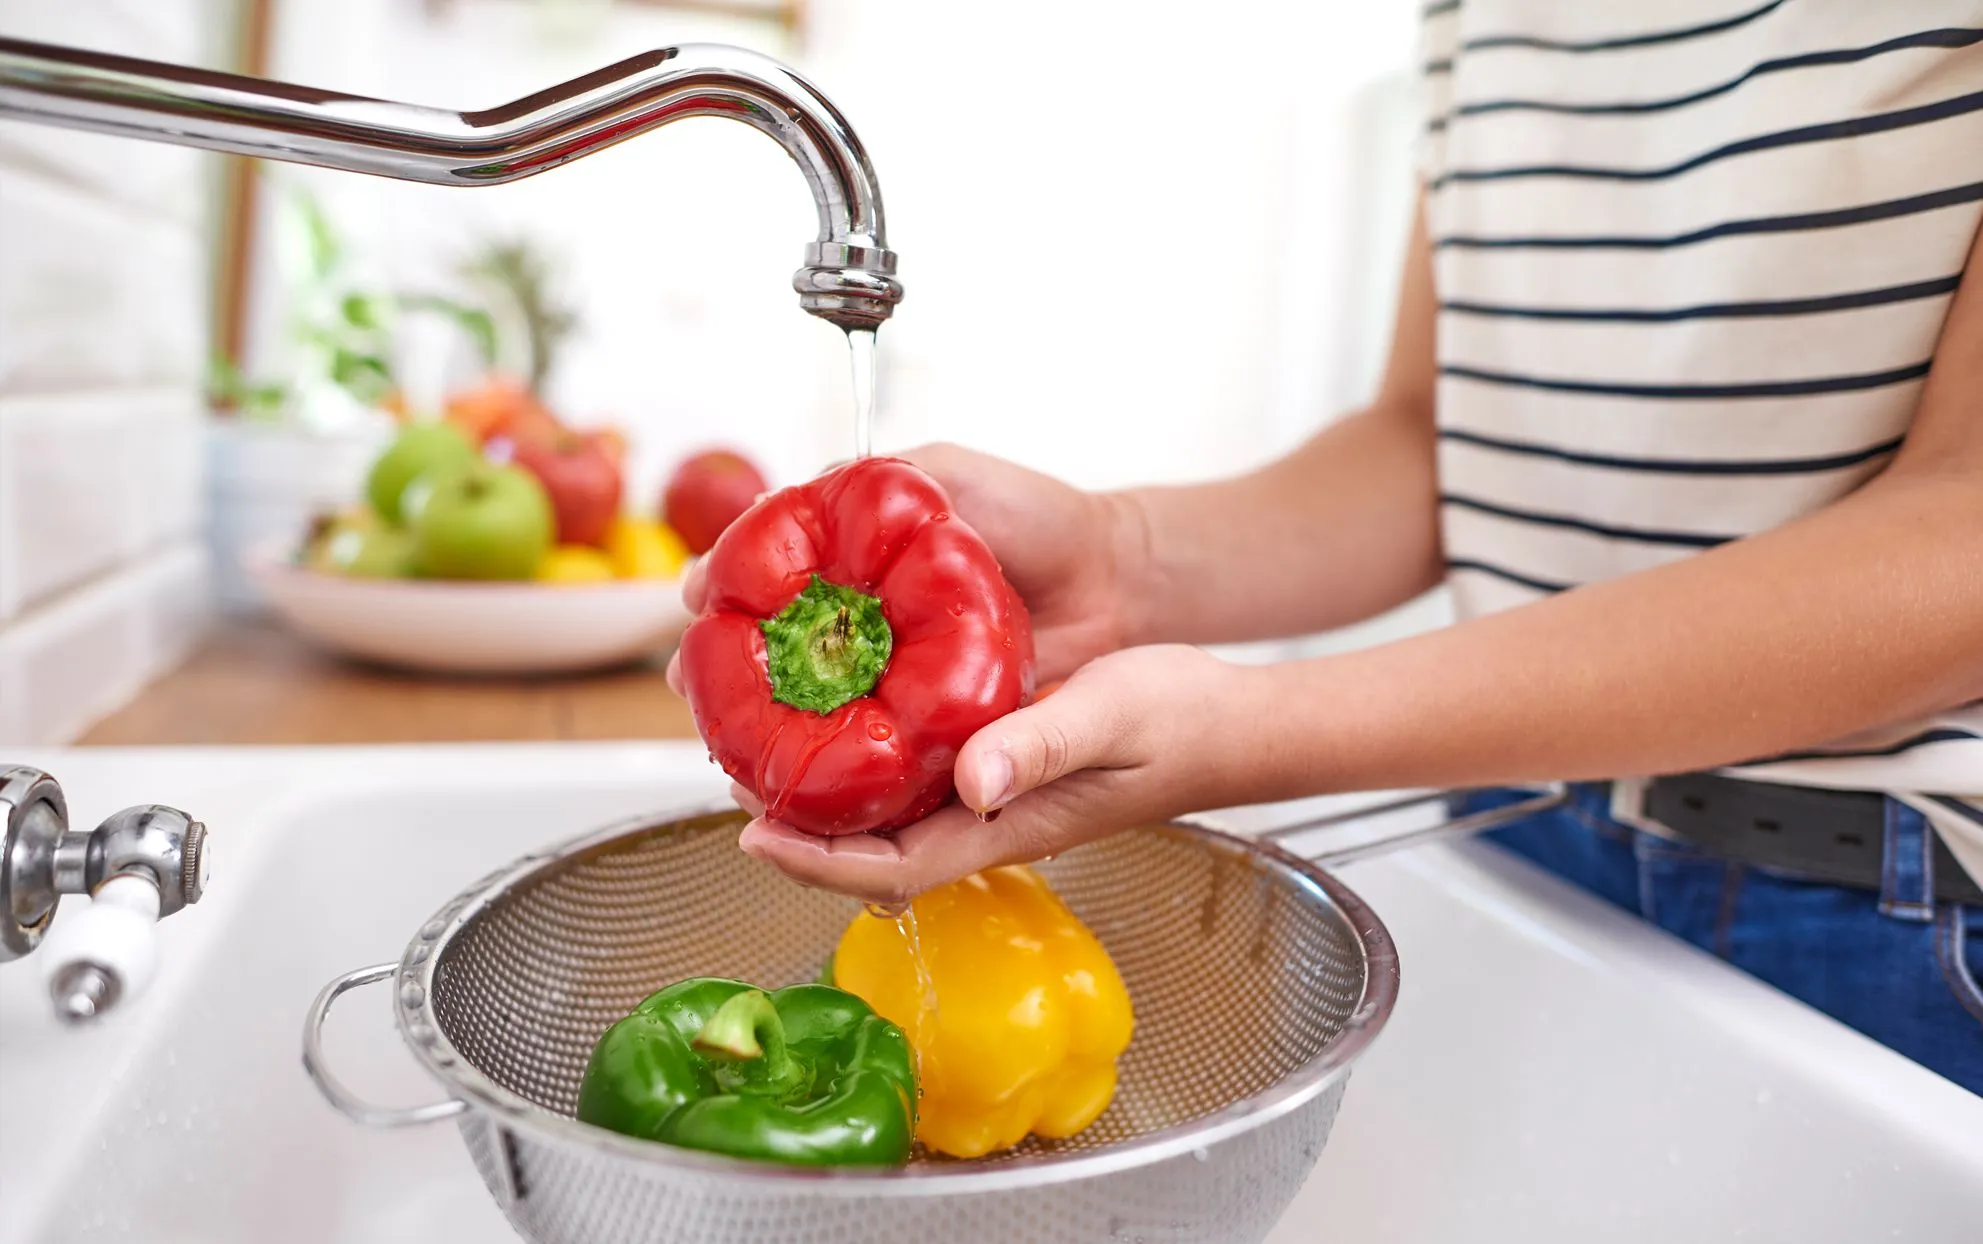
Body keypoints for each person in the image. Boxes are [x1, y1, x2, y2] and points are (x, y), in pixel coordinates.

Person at [673, 1, 1983, 1094]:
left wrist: (1264, 728)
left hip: (1878, 912)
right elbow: (1435, 439)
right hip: (1522, 824)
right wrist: (1125, 558)